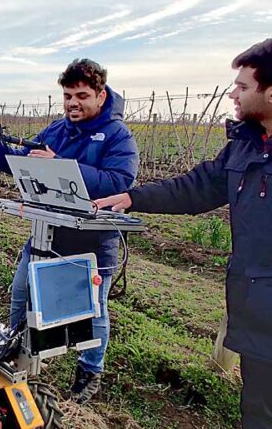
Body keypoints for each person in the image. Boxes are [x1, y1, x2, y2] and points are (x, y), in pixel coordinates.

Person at [95, 39, 272, 429]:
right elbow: (195, 188)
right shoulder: (246, 147)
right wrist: (131, 197)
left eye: (243, 87)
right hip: (257, 311)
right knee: (258, 409)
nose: (232, 93)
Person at [0, 58, 139, 404]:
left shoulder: (118, 135)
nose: (72, 103)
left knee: (93, 311)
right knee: (21, 291)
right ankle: (14, 351)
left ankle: (89, 370)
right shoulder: (56, 129)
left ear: (100, 95)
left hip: (91, 241)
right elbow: (23, 159)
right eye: (67, 96)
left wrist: (63, 167)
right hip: (46, 234)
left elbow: (119, 183)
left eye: (81, 95)